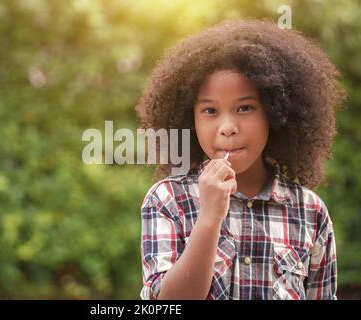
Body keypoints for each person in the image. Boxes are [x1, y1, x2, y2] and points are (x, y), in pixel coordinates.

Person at [135, 19, 346, 300]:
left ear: (275, 111)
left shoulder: (310, 211)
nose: (227, 127)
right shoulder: (168, 200)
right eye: (210, 111)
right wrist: (209, 218)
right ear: (189, 119)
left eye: (245, 108)